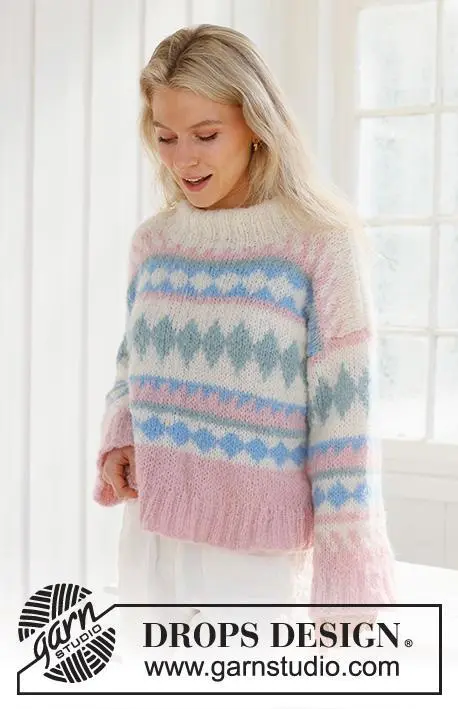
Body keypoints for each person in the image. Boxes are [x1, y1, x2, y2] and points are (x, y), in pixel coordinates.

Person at [93, 23, 397, 648]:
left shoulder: (318, 244)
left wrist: (347, 579)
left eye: (206, 135)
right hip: (151, 532)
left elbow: (346, 423)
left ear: (256, 124)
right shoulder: (155, 242)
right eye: (166, 137)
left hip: (254, 557)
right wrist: (121, 430)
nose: (183, 159)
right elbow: (133, 359)